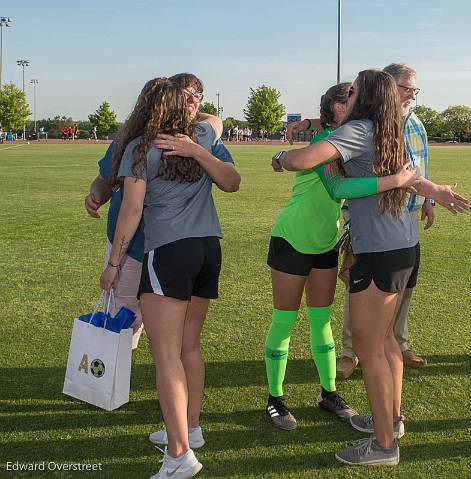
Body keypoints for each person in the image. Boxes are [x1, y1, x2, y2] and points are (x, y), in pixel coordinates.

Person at [275, 69, 467, 466]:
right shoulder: (388, 128)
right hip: (402, 245)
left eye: (355, 89)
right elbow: (408, 179)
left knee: (370, 347)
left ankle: (383, 446)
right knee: (386, 343)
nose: (350, 92)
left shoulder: (361, 129)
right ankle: (390, 424)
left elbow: (301, 160)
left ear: (365, 96)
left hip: (380, 250)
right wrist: (436, 191)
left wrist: (282, 156)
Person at [99, 78, 240, 478]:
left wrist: (113, 264)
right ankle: (189, 429)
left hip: (169, 253)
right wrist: (199, 147)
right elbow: (230, 180)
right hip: (208, 249)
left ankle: (179, 456)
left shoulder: (139, 147)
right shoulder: (203, 134)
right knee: (188, 347)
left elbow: (131, 211)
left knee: (166, 356)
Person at [264, 82, 418, 431]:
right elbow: (339, 188)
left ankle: (329, 393)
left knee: (322, 321)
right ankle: (275, 398)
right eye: (347, 96)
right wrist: (395, 180)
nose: (354, 99)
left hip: (325, 241)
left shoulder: (349, 137)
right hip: (292, 238)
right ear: (335, 107)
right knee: (285, 321)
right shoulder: (326, 144)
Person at [286, 63, 434, 377]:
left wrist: (280, 157)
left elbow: (331, 179)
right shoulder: (382, 124)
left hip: (387, 231)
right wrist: (315, 123)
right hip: (390, 233)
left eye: (413, 90)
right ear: (387, 90)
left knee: (378, 340)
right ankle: (386, 411)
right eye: (406, 88)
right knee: (378, 332)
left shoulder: (396, 124)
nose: (411, 94)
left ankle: (386, 422)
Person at [85, 73, 231, 350]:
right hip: (131, 246)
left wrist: (198, 146)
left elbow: (230, 179)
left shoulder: (204, 136)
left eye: (196, 96)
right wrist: (97, 195)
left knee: (170, 336)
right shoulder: (133, 137)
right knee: (122, 320)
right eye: (183, 94)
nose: (190, 100)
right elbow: (106, 179)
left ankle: (163, 383)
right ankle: (114, 384)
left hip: (170, 245)